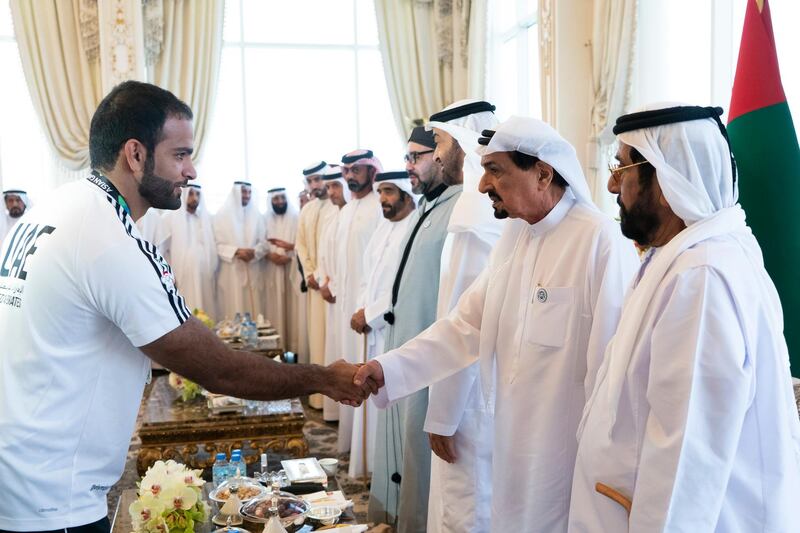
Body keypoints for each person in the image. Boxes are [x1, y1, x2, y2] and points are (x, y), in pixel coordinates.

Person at [0, 81, 373, 533]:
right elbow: (221, 371)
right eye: (179, 154)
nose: (191, 170)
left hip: (21, 467)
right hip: (54, 495)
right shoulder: (107, 236)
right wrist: (321, 377)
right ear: (135, 154)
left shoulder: (56, 207)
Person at [354, 115, 639, 532]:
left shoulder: (598, 243)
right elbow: (464, 326)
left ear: (542, 174)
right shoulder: (516, 238)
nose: (483, 185)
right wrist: (388, 368)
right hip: (510, 450)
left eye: (494, 170)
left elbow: (612, 376)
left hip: (566, 460)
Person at [569, 104, 800, 533]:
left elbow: (687, 457)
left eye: (622, 168)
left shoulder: (702, 277)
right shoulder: (679, 257)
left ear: (666, 176)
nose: (611, 183)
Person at [368, 126, 462, 526]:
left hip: (432, 365)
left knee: (423, 466)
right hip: (406, 356)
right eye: (406, 158)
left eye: (417, 156)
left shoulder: (460, 212)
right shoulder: (430, 207)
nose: (409, 166)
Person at [424, 99, 504, 533]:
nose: (436, 154)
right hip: (482, 396)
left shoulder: (475, 219)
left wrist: (442, 417)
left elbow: (463, 329)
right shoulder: (479, 211)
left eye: (439, 140)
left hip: (470, 403)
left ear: (463, 141)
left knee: (466, 507)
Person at [348, 170, 416, 480]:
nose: (383, 199)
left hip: (393, 329)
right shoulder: (383, 229)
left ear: (405, 194)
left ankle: (383, 470)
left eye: (389, 192)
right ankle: (372, 468)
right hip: (371, 327)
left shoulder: (413, 229)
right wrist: (362, 310)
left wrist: (371, 314)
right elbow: (368, 277)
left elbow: (401, 287)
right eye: (381, 192)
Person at [334, 150, 384, 452]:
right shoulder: (347, 210)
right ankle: (355, 446)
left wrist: (369, 308)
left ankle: (369, 453)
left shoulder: (381, 205)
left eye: (357, 170)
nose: (351, 176)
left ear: (371, 171)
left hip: (370, 309)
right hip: (346, 306)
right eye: (347, 170)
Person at [317, 168, 350, 421]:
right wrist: (322, 282)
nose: (331, 193)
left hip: (345, 298)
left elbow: (352, 263)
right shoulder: (332, 217)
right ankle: (335, 412)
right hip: (330, 296)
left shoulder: (351, 217)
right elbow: (323, 257)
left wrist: (334, 286)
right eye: (329, 188)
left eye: (336, 187)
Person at [295, 161, 330, 400]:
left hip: (331, 286)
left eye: (319, 179)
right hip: (315, 285)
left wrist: (320, 275)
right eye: (310, 181)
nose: (315, 185)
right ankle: (319, 400)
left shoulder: (339, 207)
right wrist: (309, 274)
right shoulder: (307, 210)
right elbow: (301, 245)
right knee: (317, 341)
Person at [159, 183, 219, 318]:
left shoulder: (206, 218)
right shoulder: (168, 218)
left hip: (204, 277)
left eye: (198, 194)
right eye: (191, 194)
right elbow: (161, 251)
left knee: (207, 313)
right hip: (181, 277)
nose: (195, 198)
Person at [213, 181, 266, 319]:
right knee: (233, 307)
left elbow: (264, 243)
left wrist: (254, 252)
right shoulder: (222, 215)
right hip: (231, 272)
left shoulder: (257, 215)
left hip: (252, 267)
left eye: (249, 192)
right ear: (235, 192)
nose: (247, 196)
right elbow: (216, 245)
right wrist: (236, 251)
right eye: (243, 192)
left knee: (253, 309)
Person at [263, 187, 299, 344]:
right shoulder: (263, 219)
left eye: (282, 198)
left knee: (293, 312)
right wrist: (269, 255)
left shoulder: (296, 218)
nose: (280, 202)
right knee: (274, 310)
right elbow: (259, 241)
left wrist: (290, 257)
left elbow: (301, 243)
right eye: (276, 199)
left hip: (292, 269)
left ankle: (293, 346)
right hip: (270, 270)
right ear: (271, 201)